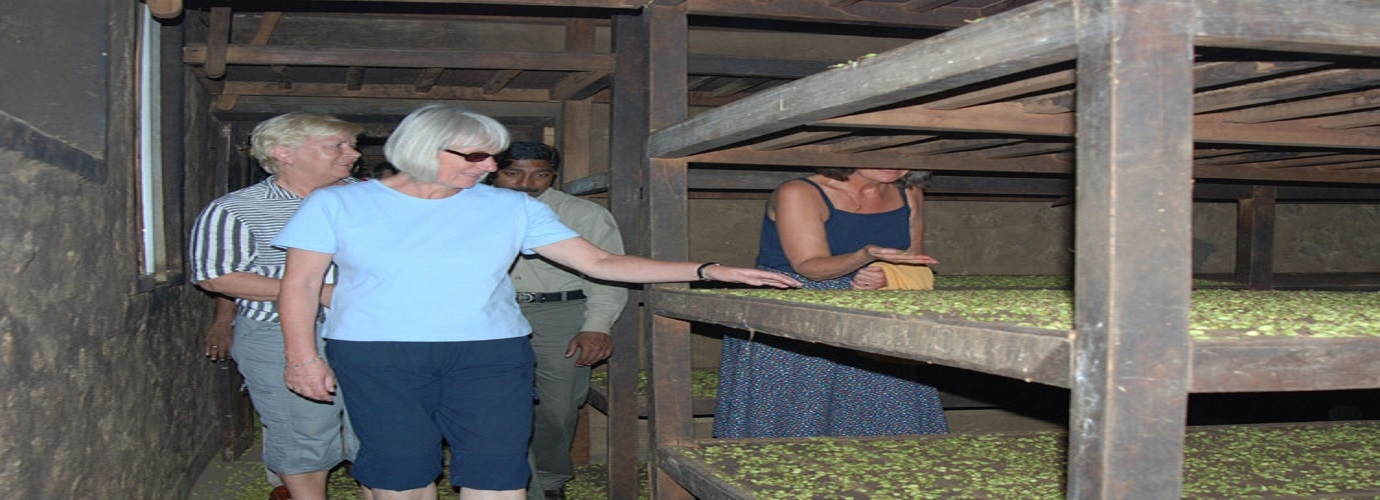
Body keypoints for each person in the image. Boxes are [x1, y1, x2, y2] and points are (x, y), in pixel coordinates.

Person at [273, 103, 799, 500]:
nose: (486, 167)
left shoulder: (508, 208)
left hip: (489, 353)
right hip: (377, 352)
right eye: (473, 155)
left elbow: (601, 263)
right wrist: (302, 357)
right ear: (422, 148)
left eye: (491, 157)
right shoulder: (340, 203)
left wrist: (705, 270)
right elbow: (299, 284)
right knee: (399, 464)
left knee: (499, 466)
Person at [189, 112, 371, 500]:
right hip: (275, 333)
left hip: (369, 330)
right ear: (283, 152)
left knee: (375, 425)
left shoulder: (371, 200)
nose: (352, 154)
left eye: (350, 144)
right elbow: (217, 277)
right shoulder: (237, 209)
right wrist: (315, 291)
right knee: (303, 428)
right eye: (336, 146)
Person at [713, 167, 950, 438]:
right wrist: (864, 255)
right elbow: (810, 267)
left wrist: (887, 275)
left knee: (886, 426)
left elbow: (914, 259)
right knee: (792, 429)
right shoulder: (799, 191)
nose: (891, 163)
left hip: (870, 315)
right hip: (797, 319)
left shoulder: (909, 192)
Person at [490, 142, 627, 500]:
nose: (526, 183)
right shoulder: (471, 210)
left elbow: (608, 273)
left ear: (554, 176)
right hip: (491, 311)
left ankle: (549, 481)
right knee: (493, 404)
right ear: (494, 171)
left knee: (559, 407)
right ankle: (509, 484)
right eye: (513, 173)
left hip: (560, 313)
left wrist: (596, 325)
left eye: (541, 174)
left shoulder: (582, 214)